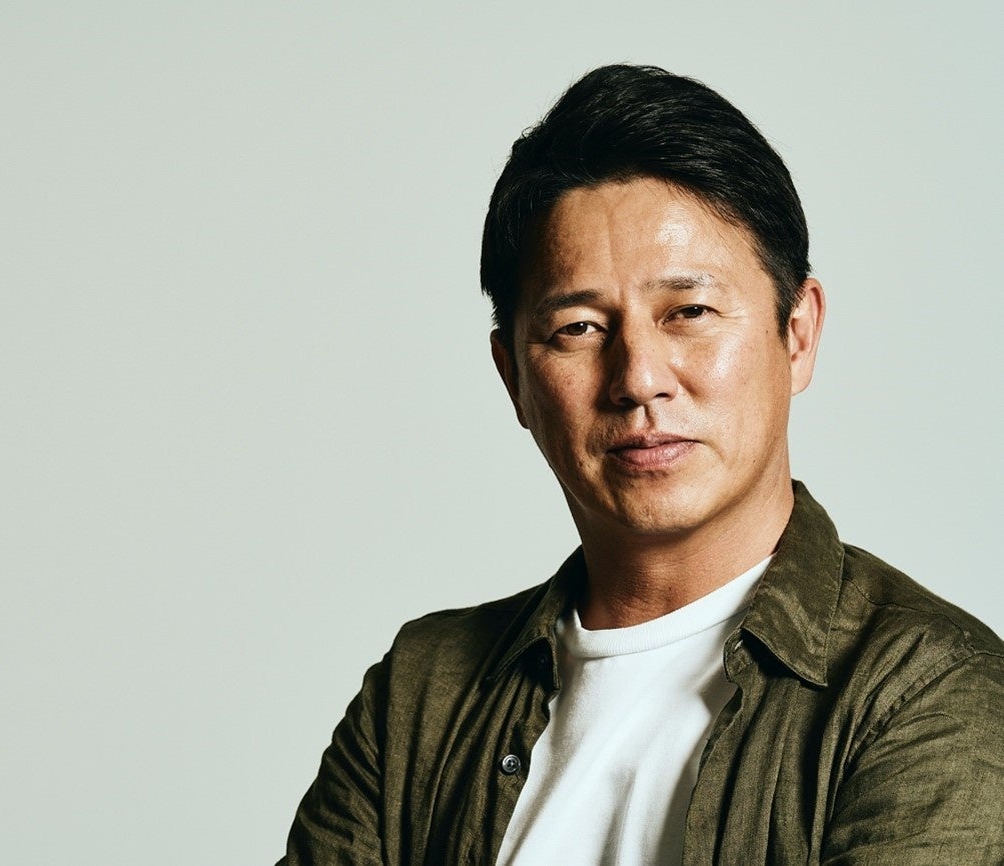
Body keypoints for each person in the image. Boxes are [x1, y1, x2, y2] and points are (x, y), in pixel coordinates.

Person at [278, 64, 1004, 865]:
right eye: (578, 328)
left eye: (688, 312)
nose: (637, 379)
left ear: (796, 334)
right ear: (512, 377)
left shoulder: (927, 691)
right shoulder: (420, 694)